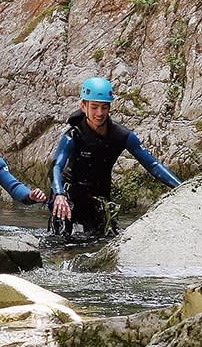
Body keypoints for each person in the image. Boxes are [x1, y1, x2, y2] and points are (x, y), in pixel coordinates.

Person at [50, 76, 181, 238]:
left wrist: (182, 187)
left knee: (102, 241)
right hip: (68, 197)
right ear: (83, 106)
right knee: (62, 242)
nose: (100, 113)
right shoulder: (72, 136)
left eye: (104, 107)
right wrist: (59, 193)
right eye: (95, 107)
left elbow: (153, 165)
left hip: (100, 199)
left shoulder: (121, 136)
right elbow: (56, 166)